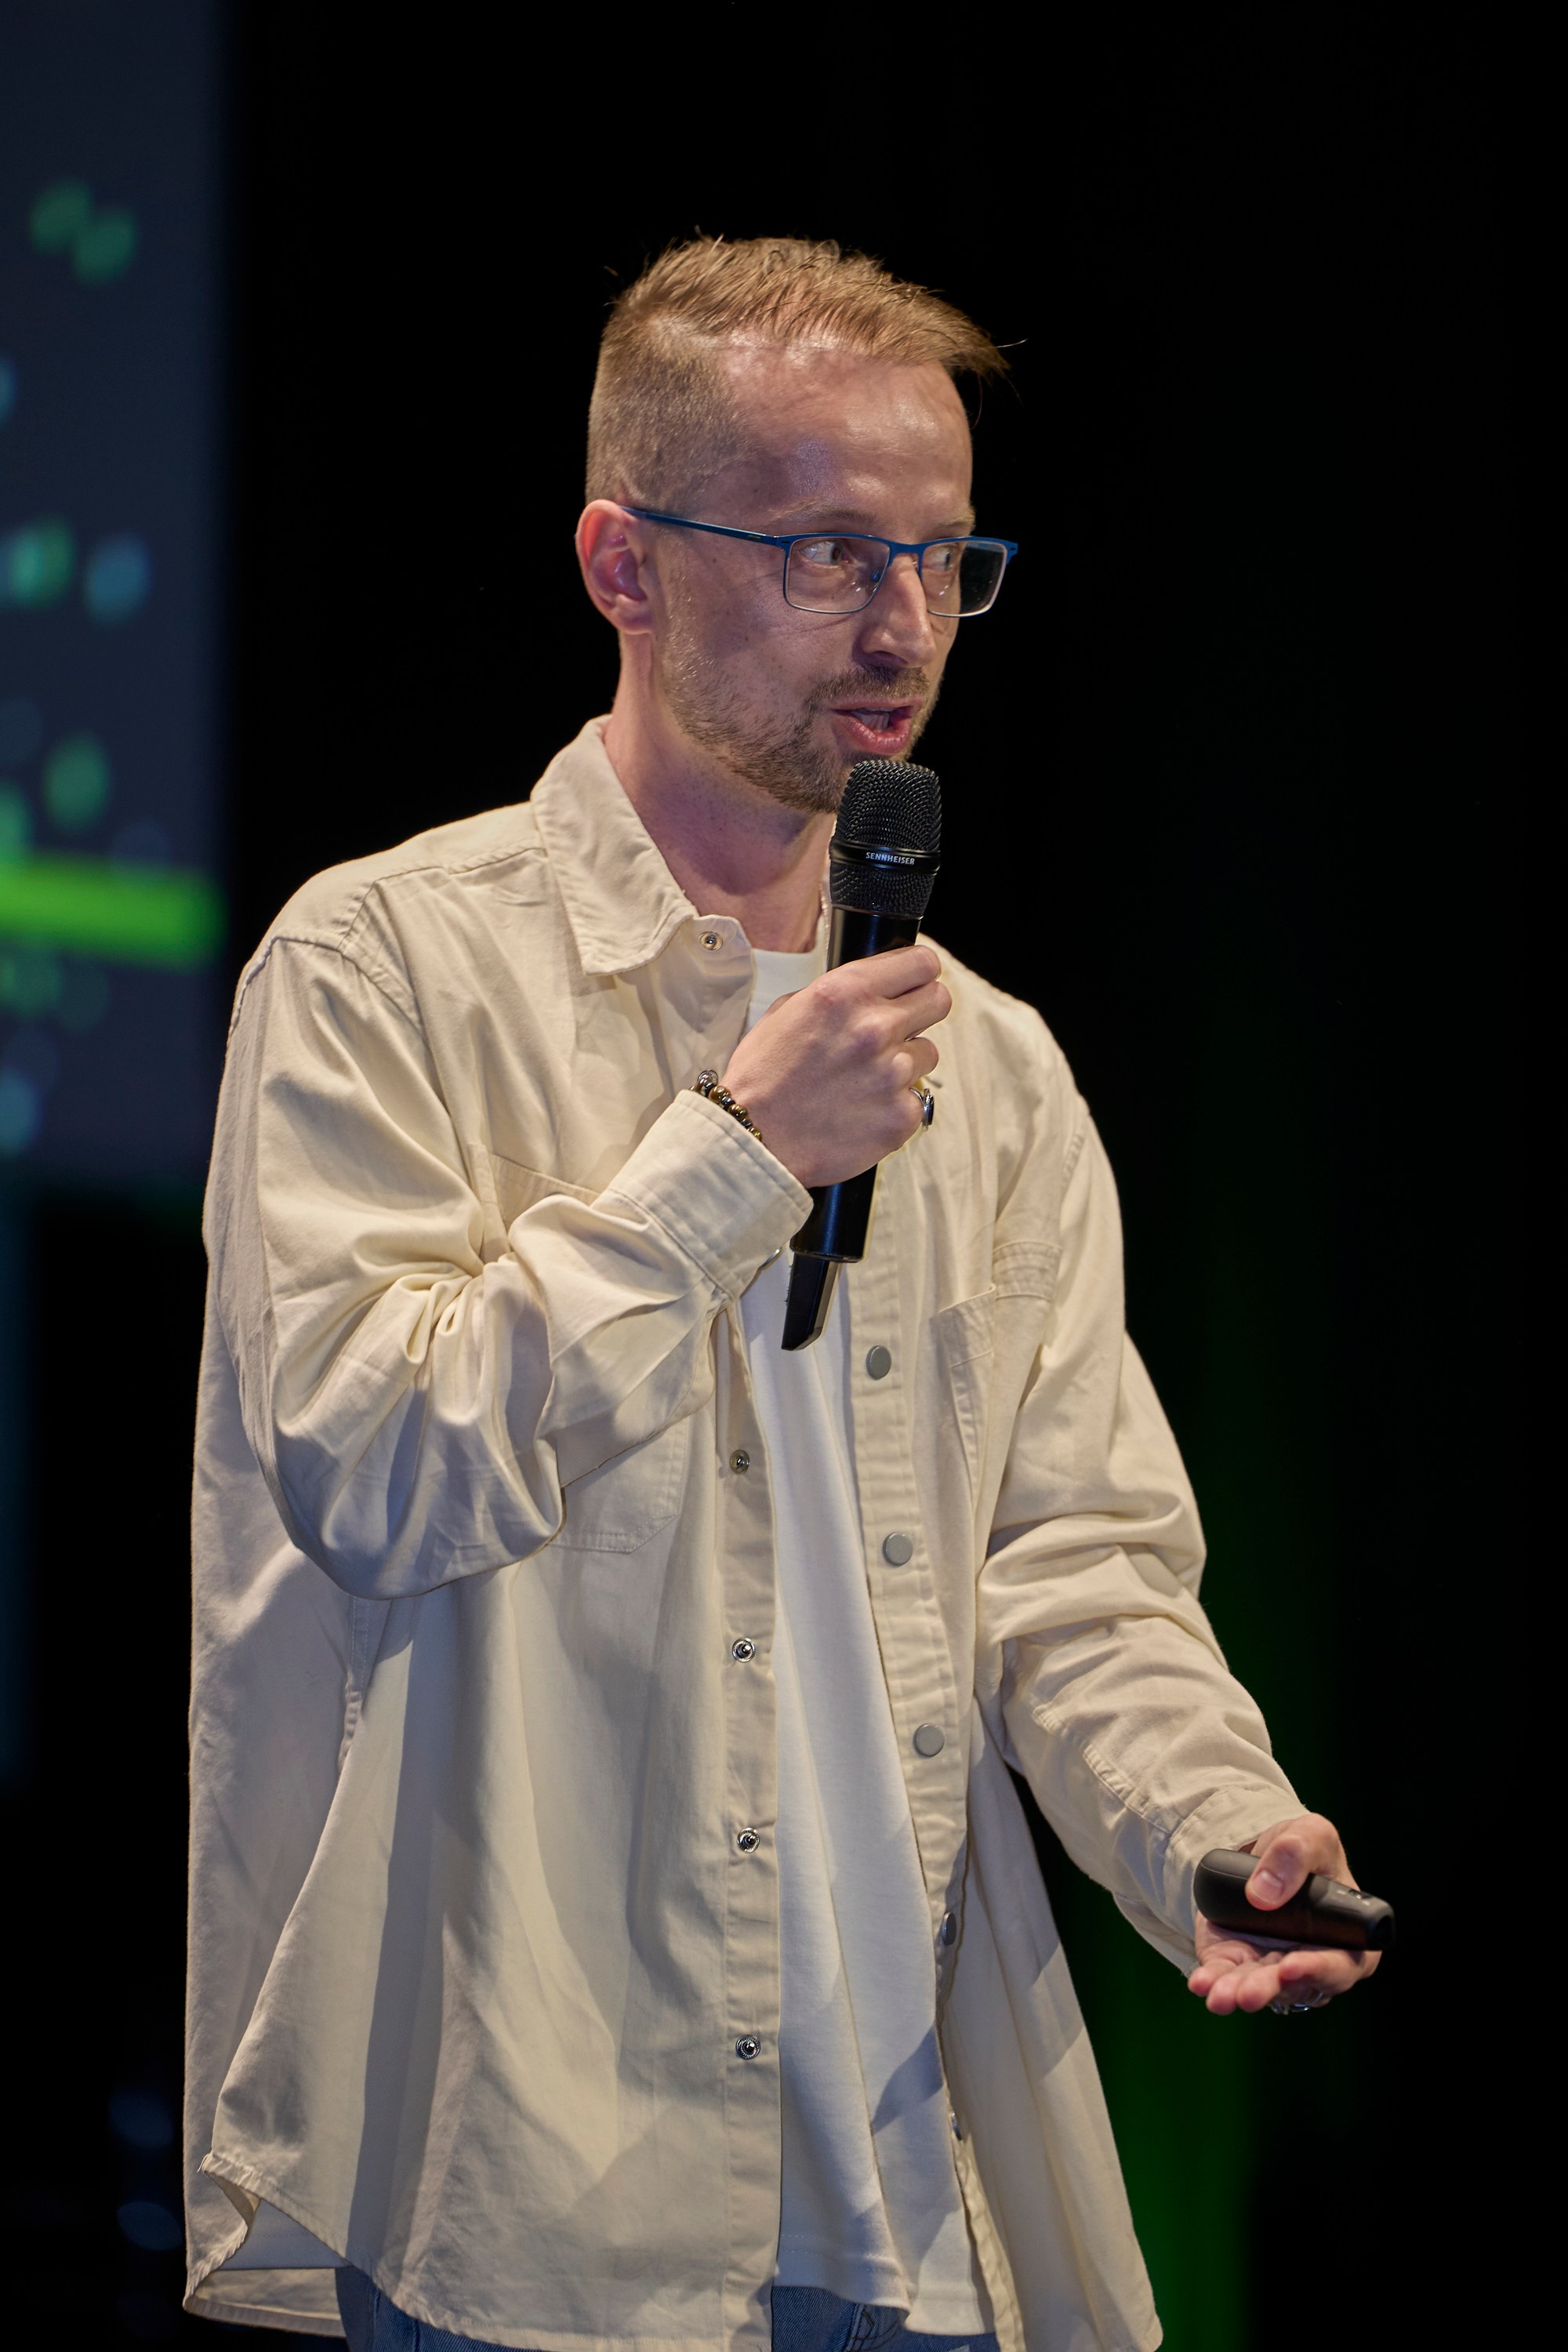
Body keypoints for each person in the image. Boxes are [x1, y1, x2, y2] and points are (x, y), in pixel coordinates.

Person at [183, 238, 1377, 2352]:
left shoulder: (986, 1068)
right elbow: (368, 1463)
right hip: (531, 2195)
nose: (903, 624)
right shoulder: (383, 970)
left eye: (944, 558)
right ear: (622, 564)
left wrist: (1205, 1822)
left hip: (905, 2192)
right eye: (832, 550)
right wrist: (735, 1157)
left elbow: (1074, 1561)